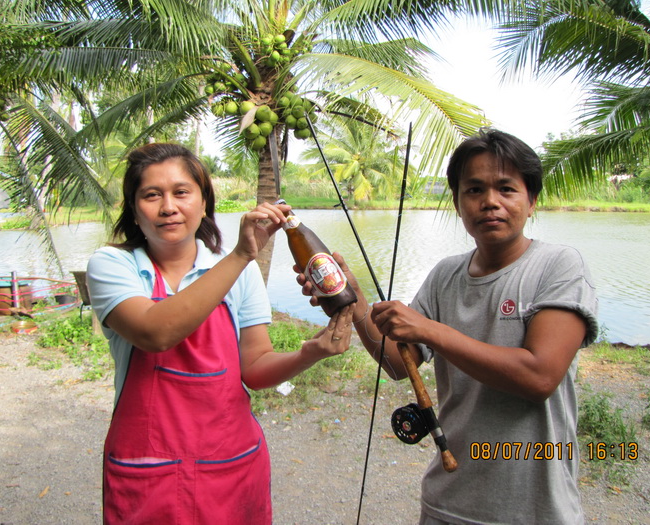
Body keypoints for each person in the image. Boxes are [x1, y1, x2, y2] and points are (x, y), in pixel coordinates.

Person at [296, 129, 598, 524]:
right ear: (457, 203)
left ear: (532, 200)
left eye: (506, 189)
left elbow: (539, 377)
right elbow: (398, 365)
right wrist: (353, 301)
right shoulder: (445, 275)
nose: (490, 201)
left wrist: (429, 329)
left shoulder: (559, 266)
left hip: (536, 508)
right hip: (447, 503)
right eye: (473, 190)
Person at [86, 142, 354, 524]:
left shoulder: (237, 271)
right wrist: (241, 256)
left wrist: (310, 352)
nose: (168, 207)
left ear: (203, 201)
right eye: (151, 195)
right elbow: (154, 332)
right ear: (133, 208)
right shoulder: (114, 265)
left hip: (233, 468)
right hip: (148, 475)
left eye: (181, 192)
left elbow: (255, 367)